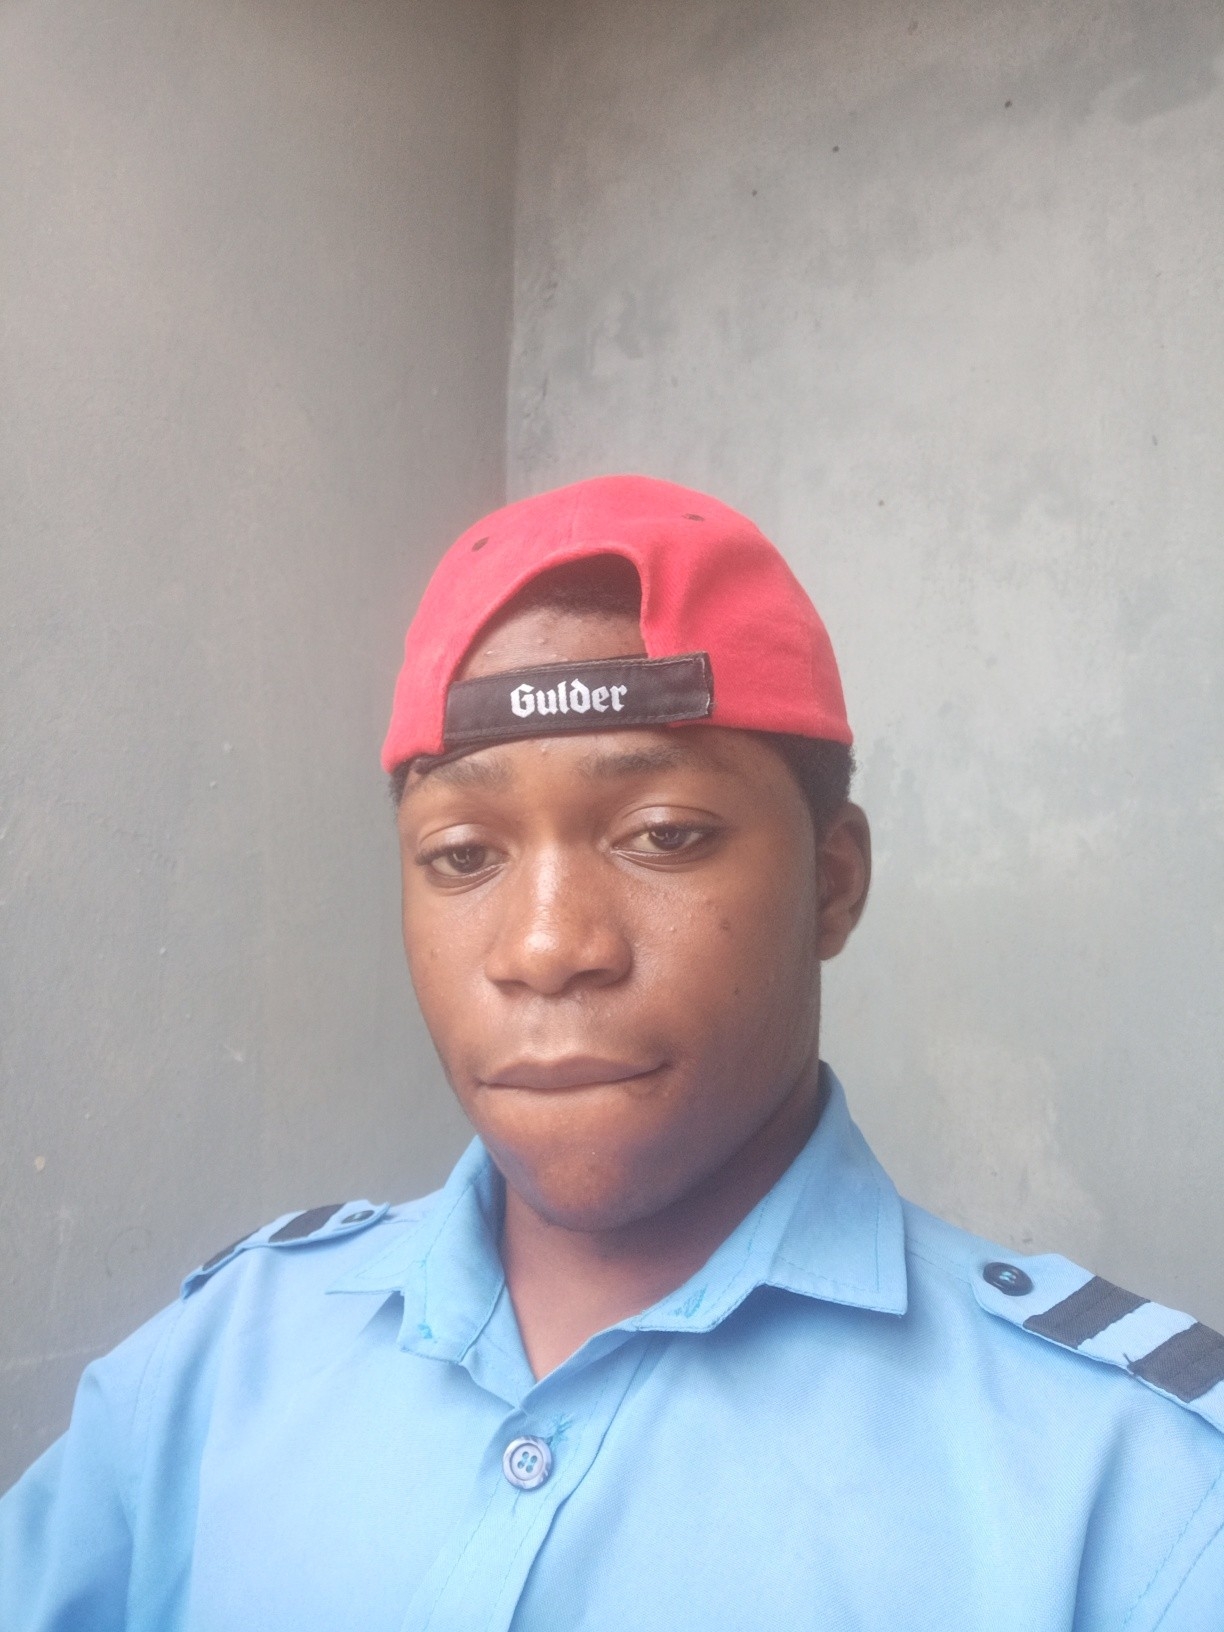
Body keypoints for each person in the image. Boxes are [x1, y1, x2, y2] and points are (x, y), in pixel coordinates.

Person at [2, 474, 1222, 1630]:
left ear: (834, 882)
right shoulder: (216, 1368)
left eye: (664, 833)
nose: (545, 946)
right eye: (463, 856)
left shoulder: (1141, 1492)